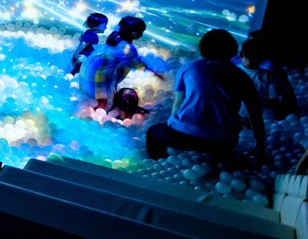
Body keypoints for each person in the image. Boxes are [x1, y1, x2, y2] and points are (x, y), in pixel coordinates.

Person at [146, 29, 265, 161]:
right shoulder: (242, 77)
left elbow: (178, 104)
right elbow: (255, 115)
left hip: (183, 136)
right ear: (233, 50)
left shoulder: (189, 68)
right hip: (223, 142)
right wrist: (260, 146)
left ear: (202, 48)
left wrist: (174, 125)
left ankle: (159, 164)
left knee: (152, 132)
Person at [79, 16, 161, 109]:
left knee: (89, 96)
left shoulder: (114, 35)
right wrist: (154, 72)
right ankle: (96, 111)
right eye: (141, 32)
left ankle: (87, 106)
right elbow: (136, 63)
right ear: (134, 34)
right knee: (102, 101)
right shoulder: (129, 48)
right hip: (98, 72)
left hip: (88, 65)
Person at [238, 36, 297, 119]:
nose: (254, 59)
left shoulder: (268, 76)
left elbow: (273, 101)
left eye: (256, 55)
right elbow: (273, 100)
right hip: (248, 118)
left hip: (257, 118)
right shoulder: (267, 75)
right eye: (252, 55)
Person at [66, 12, 109, 76]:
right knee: (77, 71)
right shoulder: (92, 34)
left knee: (79, 70)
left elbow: (82, 39)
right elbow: (84, 43)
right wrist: (77, 53)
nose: (106, 27)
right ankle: (69, 77)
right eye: (105, 25)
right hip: (82, 57)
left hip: (82, 57)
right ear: (98, 25)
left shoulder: (89, 32)